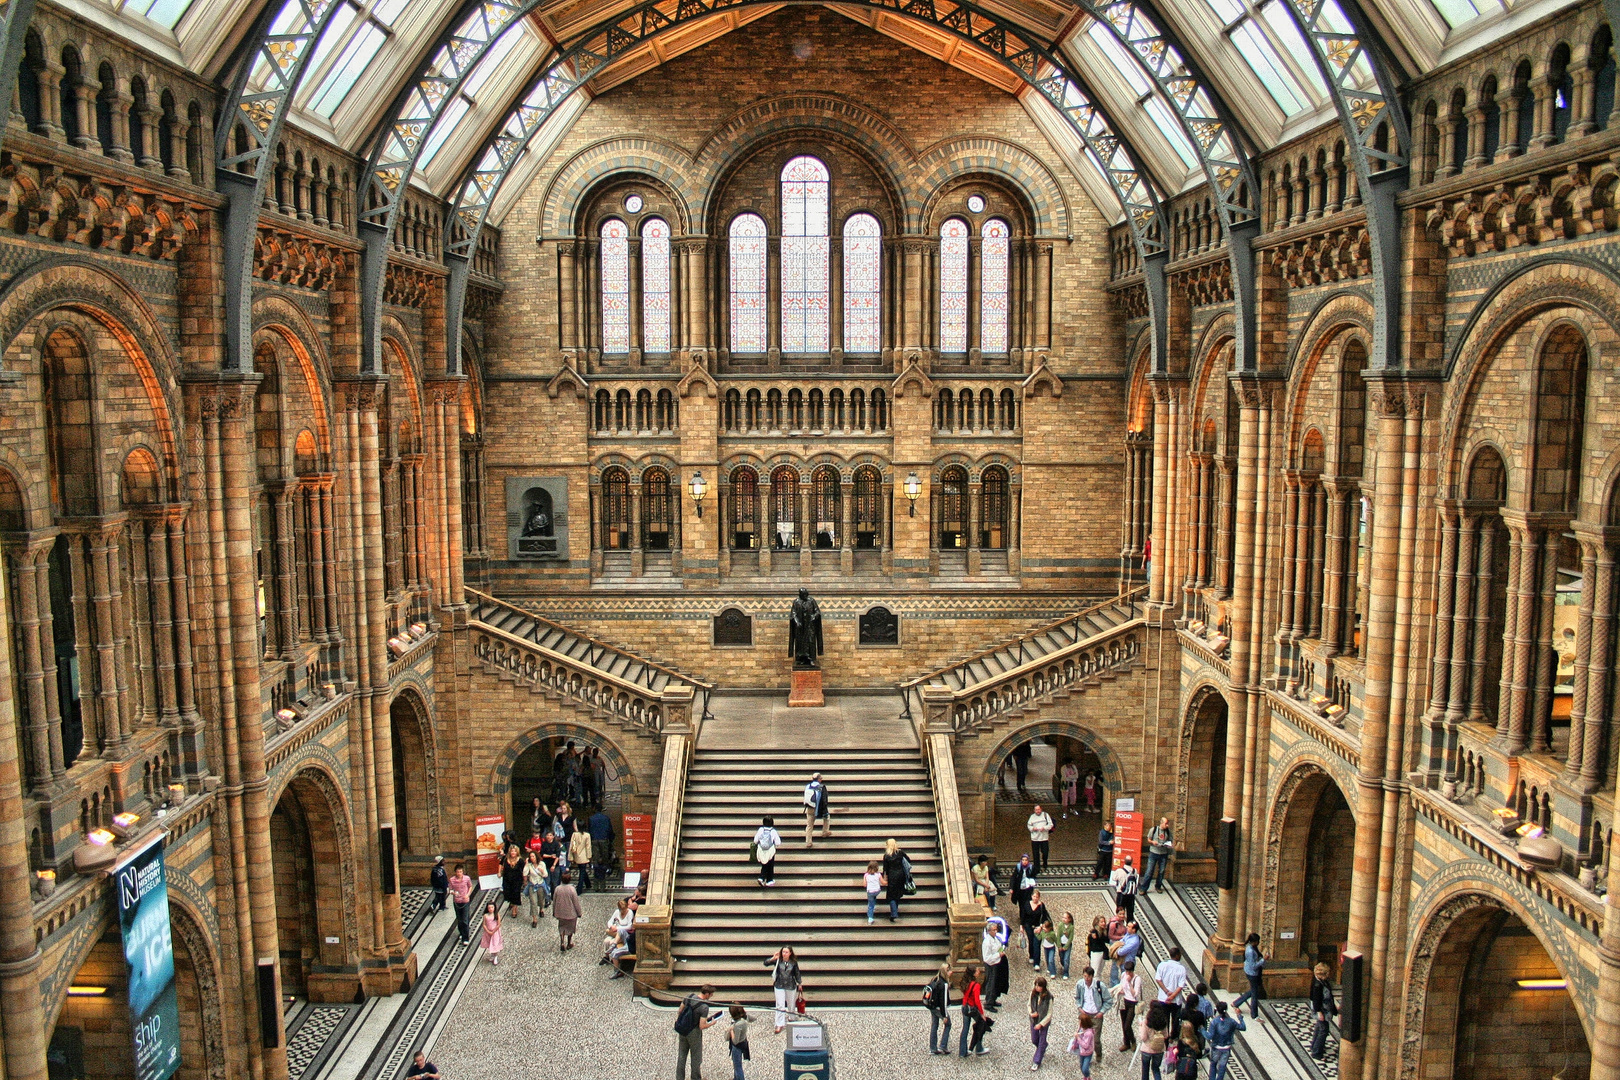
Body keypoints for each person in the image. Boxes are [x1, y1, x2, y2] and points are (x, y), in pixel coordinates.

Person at [674, 985, 719, 1080]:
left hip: (682, 1029)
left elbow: (680, 1011)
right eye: (711, 995)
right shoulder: (704, 1007)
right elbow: (702, 1026)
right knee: (696, 1057)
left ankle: (679, 1078)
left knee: (682, 1055)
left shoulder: (689, 996)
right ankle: (695, 1078)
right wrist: (711, 1023)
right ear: (707, 994)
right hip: (694, 1033)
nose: (711, 997)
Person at [1206, 1000, 1246, 1080]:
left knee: (1213, 1064)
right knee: (1222, 1067)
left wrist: (1202, 1030)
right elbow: (1243, 1027)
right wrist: (1240, 1017)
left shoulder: (1214, 1022)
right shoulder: (1231, 1021)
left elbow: (1210, 1036)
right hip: (1226, 1048)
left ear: (1217, 1010)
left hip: (1216, 1047)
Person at [764, 947, 801, 1033]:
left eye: (786, 952)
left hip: (790, 984)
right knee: (780, 1004)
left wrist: (799, 983)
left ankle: (792, 1017)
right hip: (779, 984)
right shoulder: (778, 960)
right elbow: (765, 963)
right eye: (783, 952)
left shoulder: (793, 962)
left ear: (790, 953)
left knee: (791, 1003)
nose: (784, 954)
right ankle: (779, 1023)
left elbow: (797, 973)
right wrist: (773, 958)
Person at [1231, 932, 1266, 1020]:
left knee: (1254, 990)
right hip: (1252, 974)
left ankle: (1236, 1003)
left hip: (1250, 971)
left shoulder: (1250, 948)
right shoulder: (1250, 951)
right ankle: (1254, 1015)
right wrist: (1263, 960)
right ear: (1254, 942)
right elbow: (1253, 966)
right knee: (1255, 995)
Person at [1309, 962, 1338, 1060]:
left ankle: (1314, 1046)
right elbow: (1315, 999)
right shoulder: (1318, 985)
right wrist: (1319, 1012)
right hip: (1321, 1010)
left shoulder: (1322, 981)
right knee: (1323, 1030)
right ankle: (1317, 1052)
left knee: (1319, 1027)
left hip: (1324, 1008)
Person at [960, 965, 990, 1057]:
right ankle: (979, 1048)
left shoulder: (965, 983)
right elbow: (977, 1001)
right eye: (977, 971)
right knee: (980, 1026)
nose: (979, 972)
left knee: (965, 1029)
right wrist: (982, 1013)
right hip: (972, 1008)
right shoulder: (976, 985)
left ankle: (962, 1051)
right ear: (973, 974)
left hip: (965, 1006)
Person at [982, 915, 1010, 1012]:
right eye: (993, 930)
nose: (995, 931)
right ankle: (988, 1003)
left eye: (996, 930)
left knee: (996, 983)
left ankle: (993, 999)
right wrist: (998, 955)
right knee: (991, 983)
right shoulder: (987, 942)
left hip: (997, 963)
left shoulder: (995, 939)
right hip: (991, 965)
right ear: (989, 931)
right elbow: (987, 958)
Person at [924, 963, 953, 1055]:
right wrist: (944, 1015)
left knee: (934, 1025)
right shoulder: (944, 984)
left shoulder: (935, 979)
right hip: (938, 1008)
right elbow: (943, 1001)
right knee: (948, 1024)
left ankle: (933, 1048)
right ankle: (943, 1046)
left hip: (932, 1006)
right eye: (949, 970)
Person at [1139, 1000, 1172, 1080]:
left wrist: (1140, 1027)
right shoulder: (1163, 1021)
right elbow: (1166, 1035)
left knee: (1145, 1070)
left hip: (1147, 1049)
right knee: (1156, 1069)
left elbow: (1143, 1037)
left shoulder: (1146, 1021)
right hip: (1159, 1050)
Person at [1115, 959, 1142, 1053]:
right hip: (1124, 1000)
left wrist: (1130, 983)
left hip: (1132, 1003)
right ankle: (1126, 1043)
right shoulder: (1123, 975)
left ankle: (1133, 1041)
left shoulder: (1137, 979)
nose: (1127, 973)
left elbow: (1135, 994)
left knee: (1128, 1025)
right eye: (1126, 971)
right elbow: (1122, 985)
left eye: (1129, 971)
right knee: (1123, 1023)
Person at [551, 871, 582, 950]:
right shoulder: (572, 889)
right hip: (571, 913)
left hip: (560, 912)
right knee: (570, 928)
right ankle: (569, 943)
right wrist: (579, 912)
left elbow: (554, 901)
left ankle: (562, 942)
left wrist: (554, 911)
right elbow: (576, 902)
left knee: (562, 927)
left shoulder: (558, 888)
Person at [1029, 974, 1054, 1070]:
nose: (1037, 988)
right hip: (1034, 1020)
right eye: (1036, 985)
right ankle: (1043, 1047)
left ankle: (1036, 1061)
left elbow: (1049, 1013)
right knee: (1035, 1039)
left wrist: (1041, 1024)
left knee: (1042, 1040)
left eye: (1039, 986)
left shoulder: (1049, 997)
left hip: (1044, 1022)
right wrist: (1031, 1013)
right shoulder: (1033, 994)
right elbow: (1028, 1005)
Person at [881, 838, 909, 921]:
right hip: (901, 875)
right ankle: (895, 910)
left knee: (891, 895)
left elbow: (885, 868)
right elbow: (908, 860)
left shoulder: (886, 855)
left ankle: (894, 913)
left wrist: (884, 878)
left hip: (892, 876)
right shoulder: (900, 852)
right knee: (897, 893)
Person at [1145, 816, 1175, 893]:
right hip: (1154, 853)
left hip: (1163, 853)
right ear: (1161, 823)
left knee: (1161, 871)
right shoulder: (1154, 829)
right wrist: (1152, 842)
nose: (1167, 825)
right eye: (1166, 824)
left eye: (1167, 824)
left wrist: (1169, 845)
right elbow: (1148, 839)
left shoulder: (1168, 831)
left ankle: (1158, 886)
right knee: (1149, 871)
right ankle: (1144, 888)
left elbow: (1171, 841)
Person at [1022, 887, 1050, 967]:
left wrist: (1041, 926)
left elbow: (1044, 917)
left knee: (1037, 943)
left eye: (1037, 897)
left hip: (1038, 926)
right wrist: (1022, 925)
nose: (1035, 898)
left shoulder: (1041, 906)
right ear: (1031, 896)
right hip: (1028, 925)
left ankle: (1037, 962)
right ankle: (1031, 955)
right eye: (1034, 896)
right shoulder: (1027, 904)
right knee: (1031, 941)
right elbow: (1023, 915)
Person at [601, 897, 634, 963]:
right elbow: (610, 921)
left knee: (612, 942)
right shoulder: (617, 912)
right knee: (606, 941)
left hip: (623, 933)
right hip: (614, 932)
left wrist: (618, 928)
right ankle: (606, 957)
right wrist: (611, 926)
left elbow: (629, 926)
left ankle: (615, 958)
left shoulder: (630, 913)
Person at [448, 862, 474, 945]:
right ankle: (462, 932)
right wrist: (453, 893)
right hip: (457, 901)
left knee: (465, 920)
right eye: (458, 872)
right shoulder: (452, 880)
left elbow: (470, 886)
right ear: (455, 872)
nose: (459, 873)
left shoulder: (466, 878)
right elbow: (450, 889)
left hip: (465, 901)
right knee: (459, 919)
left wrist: (467, 894)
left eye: (461, 872)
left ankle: (465, 938)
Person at [588, 805, 615, 882]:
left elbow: (589, 829)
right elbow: (609, 829)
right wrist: (611, 838)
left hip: (594, 839)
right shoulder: (606, 818)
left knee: (596, 856)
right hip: (604, 839)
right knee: (605, 855)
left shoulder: (591, 818)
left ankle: (596, 873)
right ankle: (605, 869)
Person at [803, 772, 830, 846]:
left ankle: (808, 842)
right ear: (818, 779)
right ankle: (825, 832)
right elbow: (824, 800)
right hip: (818, 808)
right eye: (821, 778)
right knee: (827, 818)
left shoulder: (808, 786)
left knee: (809, 825)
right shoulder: (821, 787)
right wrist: (825, 810)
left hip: (809, 808)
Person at [568, 817, 594, 892]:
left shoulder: (574, 834)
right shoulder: (587, 835)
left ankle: (588, 884)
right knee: (582, 872)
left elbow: (571, 845)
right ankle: (579, 889)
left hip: (577, 855)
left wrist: (570, 857)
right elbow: (588, 847)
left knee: (582, 870)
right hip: (584, 855)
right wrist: (589, 856)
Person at [754, 815, 781, 886]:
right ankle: (768, 879)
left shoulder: (760, 830)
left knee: (764, 864)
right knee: (770, 865)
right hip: (770, 850)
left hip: (761, 850)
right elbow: (778, 842)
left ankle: (762, 877)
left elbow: (755, 840)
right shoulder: (773, 831)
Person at [1111, 856, 1139, 921]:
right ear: (1132, 862)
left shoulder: (1119, 871)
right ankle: (1130, 925)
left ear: (1124, 861)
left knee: (1120, 910)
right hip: (1131, 894)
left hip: (1121, 893)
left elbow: (1114, 878)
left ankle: (1120, 924)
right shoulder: (1134, 871)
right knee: (1130, 911)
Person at [1027, 804, 1054, 873]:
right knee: (1035, 853)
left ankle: (1045, 863)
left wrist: (1044, 828)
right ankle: (1037, 867)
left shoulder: (1045, 815)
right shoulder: (1032, 817)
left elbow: (1050, 824)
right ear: (1034, 811)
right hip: (1035, 838)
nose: (1038, 811)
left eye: (1038, 809)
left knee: (1045, 852)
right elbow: (1029, 825)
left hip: (1044, 838)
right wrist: (1033, 828)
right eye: (1036, 810)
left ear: (1041, 809)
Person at [523, 849, 547, 926]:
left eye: (533, 856)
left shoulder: (542, 864)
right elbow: (525, 873)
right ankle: (534, 919)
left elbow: (546, 875)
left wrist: (542, 871)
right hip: (532, 885)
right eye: (530, 857)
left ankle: (541, 909)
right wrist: (526, 865)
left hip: (540, 884)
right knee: (533, 902)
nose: (532, 858)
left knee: (541, 899)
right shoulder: (530, 865)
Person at [726, 1004, 750, 1080]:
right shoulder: (744, 1021)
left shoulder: (737, 1025)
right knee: (736, 1065)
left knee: (737, 1067)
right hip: (743, 1043)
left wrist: (731, 1031)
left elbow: (735, 1041)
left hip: (737, 1047)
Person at [1070, 1011, 1096, 1078]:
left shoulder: (1089, 1034)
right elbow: (1077, 1036)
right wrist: (1074, 1044)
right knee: (1081, 1066)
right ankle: (1086, 1076)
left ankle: (1087, 1076)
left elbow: (1086, 1045)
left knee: (1085, 1068)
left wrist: (1078, 1037)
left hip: (1088, 1052)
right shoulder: (1081, 1028)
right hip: (1081, 1052)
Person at [501, 847, 524, 917]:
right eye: (511, 851)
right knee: (507, 892)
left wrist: (524, 880)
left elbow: (524, 870)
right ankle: (511, 902)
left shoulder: (520, 860)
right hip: (507, 879)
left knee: (515, 894)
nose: (513, 853)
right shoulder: (505, 859)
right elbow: (501, 864)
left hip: (517, 880)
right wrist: (499, 872)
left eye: (514, 851)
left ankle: (514, 910)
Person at [1086, 916, 1109, 986]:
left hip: (1102, 952)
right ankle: (1094, 985)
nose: (1103, 923)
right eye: (1101, 922)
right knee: (1095, 970)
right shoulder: (1095, 932)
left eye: (1104, 922)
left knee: (1099, 970)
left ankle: (1097, 983)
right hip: (1096, 953)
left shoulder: (1103, 931)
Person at [479, 901, 503, 965]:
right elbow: (484, 924)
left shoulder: (496, 915)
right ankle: (492, 955)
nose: (491, 909)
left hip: (495, 932)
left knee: (495, 944)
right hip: (488, 932)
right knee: (490, 943)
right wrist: (487, 931)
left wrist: (493, 931)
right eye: (489, 908)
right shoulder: (485, 915)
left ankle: (495, 956)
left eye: (492, 907)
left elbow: (498, 924)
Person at [863, 860, 883, 924]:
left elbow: (864, 884)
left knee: (870, 905)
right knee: (874, 898)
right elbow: (883, 882)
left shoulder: (866, 875)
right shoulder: (878, 874)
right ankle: (873, 907)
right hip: (877, 890)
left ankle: (870, 918)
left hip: (870, 892)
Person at [1056, 913, 1075, 978]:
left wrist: (1066, 946)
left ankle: (1066, 972)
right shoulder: (1060, 925)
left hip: (1067, 945)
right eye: (1063, 917)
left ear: (1069, 919)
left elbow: (1071, 938)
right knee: (1061, 957)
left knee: (1066, 958)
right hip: (1061, 943)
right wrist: (1059, 945)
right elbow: (1058, 935)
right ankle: (1063, 965)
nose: (1064, 919)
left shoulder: (1071, 927)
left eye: (1065, 918)